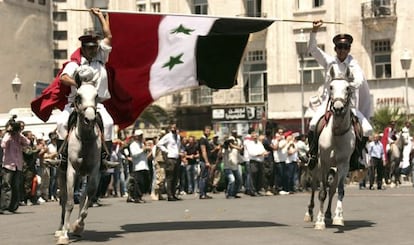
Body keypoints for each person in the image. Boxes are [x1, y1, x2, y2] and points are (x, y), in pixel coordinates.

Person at [52, 8, 117, 170]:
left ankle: (104, 159)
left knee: (108, 124)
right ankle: (62, 157)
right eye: (90, 48)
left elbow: (108, 36)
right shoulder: (75, 63)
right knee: (61, 122)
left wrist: (101, 17)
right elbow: (63, 77)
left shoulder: (101, 58)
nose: (93, 50)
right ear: (83, 48)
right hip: (77, 103)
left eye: (95, 47)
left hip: (96, 104)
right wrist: (77, 84)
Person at [306, 20, 373, 171]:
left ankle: (357, 157)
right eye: (340, 47)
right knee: (312, 124)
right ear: (335, 49)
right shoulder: (329, 62)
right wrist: (314, 30)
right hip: (328, 103)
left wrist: (347, 86)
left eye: (346, 47)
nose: (342, 50)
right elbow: (313, 49)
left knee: (368, 129)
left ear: (349, 49)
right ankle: (312, 154)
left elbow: (360, 80)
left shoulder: (354, 65)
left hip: (348, 105)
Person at [0, 119, 30, 214]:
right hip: (8, 165)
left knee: (16, 186)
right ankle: (4, 207)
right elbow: (3, 144)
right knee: (6, 186)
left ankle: (13, 207)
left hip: (18, 165)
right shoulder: (7, 136)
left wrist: (19, 134)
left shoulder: (19, 136)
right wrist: (8, 133)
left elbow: (27, 142)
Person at [156, 123, 182, 201]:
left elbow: (178, 146)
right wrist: (166, 151)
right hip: (170, 158)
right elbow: (159, 144)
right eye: (172, 127)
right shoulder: (168, 136)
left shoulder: (178, 137)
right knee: (170, 177)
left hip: (177, 158)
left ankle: (174, 194)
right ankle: (169, 195)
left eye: (175, 127)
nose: (174, 129)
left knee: (175, 177)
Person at [126, 129, 150, 203]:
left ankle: (139, 195)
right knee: (138, 183)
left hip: (144, 165)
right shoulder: (133, 145)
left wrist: (146, 151)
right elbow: (134, 155)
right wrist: (142, 150)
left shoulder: (142, 144)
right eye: (139, 136)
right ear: (135, 137)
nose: (141, 137)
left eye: (141, 136)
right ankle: (137, 197)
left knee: (145, 182)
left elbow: (144, 155)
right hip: (137, 166)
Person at [198, 126, 214, 199]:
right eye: (207, 131)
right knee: (203, 177)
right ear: (204, 131)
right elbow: (203, 151)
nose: (208, 132)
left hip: (207, 161)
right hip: (203, 161)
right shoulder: (202, 140)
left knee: (206, 177)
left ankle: (204, 193)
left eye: (209, 131)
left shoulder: (206, 139)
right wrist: (207, 161)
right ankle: (202, 194)